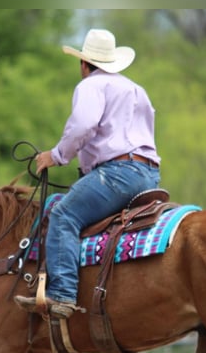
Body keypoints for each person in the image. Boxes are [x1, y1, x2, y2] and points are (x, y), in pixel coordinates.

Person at [15, 28, 161, 319]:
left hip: (117, 173)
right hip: (149, 174)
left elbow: (83, 126)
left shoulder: (90, 86)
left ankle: (63, 293)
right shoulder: (136, 89)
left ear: (84, 64)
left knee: (63, 215)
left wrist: (56, 156)